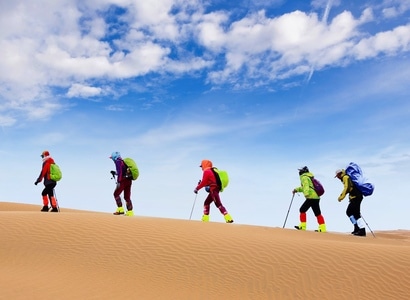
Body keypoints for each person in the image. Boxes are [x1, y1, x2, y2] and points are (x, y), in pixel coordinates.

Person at [292, 166, 326, 232]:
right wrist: (296, 189)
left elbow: (306, 187)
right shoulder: (309, 177)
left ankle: (303, 226)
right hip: (316, 197)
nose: (299, 172)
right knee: (317, 213)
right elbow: (305, 187)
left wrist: (306, 194)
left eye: (300, 170)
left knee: (302, 210)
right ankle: (323, 228)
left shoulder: (304, 177)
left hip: (311, 197)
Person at [335, 169, 366, 236]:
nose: (337, 177)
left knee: (356, 214)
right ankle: (357, 228)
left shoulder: (345, 177)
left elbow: (347, 188)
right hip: (355, 197)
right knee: (349, 212)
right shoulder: (345, 177)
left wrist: (341, 197)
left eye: (337, 176)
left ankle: (362, 230)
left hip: (356, 197)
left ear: (339, 174)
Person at [110, 151, 134, 216]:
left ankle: (120, 210)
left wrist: (119, 181)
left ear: (114, 157)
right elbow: (121, 172)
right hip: (129, 180)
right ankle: (130, 212)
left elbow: (120, 172)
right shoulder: (123, 162)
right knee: (127, 197)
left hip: (123, 180)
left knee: (116, 194)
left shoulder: (118, 162)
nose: (112, 159)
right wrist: (115, 173)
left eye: (112, 157)